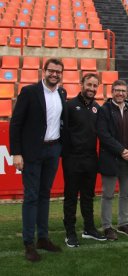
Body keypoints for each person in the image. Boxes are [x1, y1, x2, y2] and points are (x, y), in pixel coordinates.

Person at [9, 58, 67, 262]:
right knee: (31, 196)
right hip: (33, 152)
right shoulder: (29, 92)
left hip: (53, 150)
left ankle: (43, 238)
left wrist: (60, 147)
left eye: (58, 72)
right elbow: (15, 124)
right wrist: (16, 153)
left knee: (45, 195)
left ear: (62, 74)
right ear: (44, 71)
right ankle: (29, 243)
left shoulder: (62, 93)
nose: (54, 74)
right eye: (51, 70)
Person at [62, 73, 106, 247]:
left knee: (88, 196)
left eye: (95, 86)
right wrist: (67, 155)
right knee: (71, 197)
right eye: (89, 85)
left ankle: (89, 229)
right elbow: (63, 132)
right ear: (82, 84)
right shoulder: (70, 106)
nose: (92, 89)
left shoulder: (97, 108)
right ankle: (70, 233)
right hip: (72, 160)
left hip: (90, 160)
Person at [97, 80, 128, 240]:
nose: (120, 93)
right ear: (112, 91)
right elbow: (103, 135)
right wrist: (121, 150)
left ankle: (123, 224)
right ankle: (107, 226)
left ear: (126, 93)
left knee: (125, 194)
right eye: (117, 90)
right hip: (110, 159)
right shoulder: (104, 110)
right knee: (108, 195)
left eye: (123, 91)